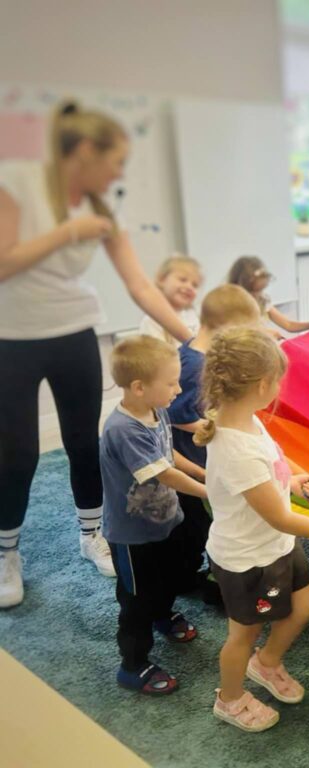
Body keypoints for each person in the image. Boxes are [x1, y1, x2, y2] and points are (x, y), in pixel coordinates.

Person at [0, 101, 192, 608]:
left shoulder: (103, 209)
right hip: (11, 337)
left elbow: (140, 285)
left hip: (74, 332)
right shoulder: (17, 182)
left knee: (84, 443)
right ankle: (6, 553)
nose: (119, 174)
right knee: (16, 453)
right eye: (116, 161)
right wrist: (66, 232)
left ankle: (91, 535)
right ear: (85, 151)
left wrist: (191, 338)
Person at [196, 327, 309, 732]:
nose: (280, 388)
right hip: (247, 560)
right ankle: (230, 699)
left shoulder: (248, 421)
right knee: (244, 634)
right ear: (262, 385)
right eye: (278, 380)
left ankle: (267, 662)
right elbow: (279, 517)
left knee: (305, 606)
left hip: (274, 546)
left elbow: (267, 471)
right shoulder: (235, 448)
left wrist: (288, 481)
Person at [100, 336, 208, 695]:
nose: (179, 390)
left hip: (165, 519)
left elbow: (168, 455)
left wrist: (203, 474)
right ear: (139, 387)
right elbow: (163, 473)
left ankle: (163, 614)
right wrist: (211, 492)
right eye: (172, 383)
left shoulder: (156, 410)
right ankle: (133, 665)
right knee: (137, 597)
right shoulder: (123, 429)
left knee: (167, 576)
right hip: (132, 535)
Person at [168, 285, 262, 600]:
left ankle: (197, 573)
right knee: (200, 523)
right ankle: (204, 580)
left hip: (199, 454)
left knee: (203, 520)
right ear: (227, 327)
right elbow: (175, 415)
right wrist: (219, 428)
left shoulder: (198, 352)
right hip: (192, 459)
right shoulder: (195, 365)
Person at [227, 255, 309, 339]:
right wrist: (265, 333)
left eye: (260, 290)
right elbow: (239, 334)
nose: (258, 295)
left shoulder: (262, 301)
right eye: (253, 291)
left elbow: (288, 325)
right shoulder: (231, 308)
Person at [139, 254, 203, 348]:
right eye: (183, 280)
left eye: (195, 285)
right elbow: (155, 355)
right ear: (162, 279)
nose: (189, 287)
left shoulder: (194, 315)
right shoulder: (151, 321)